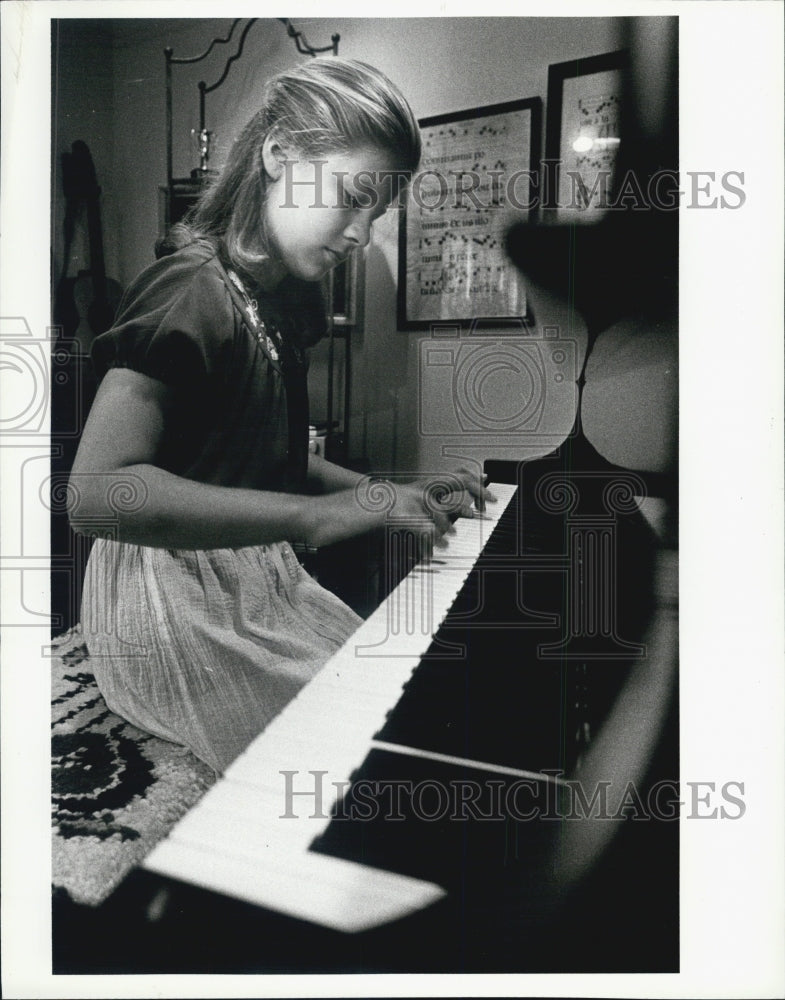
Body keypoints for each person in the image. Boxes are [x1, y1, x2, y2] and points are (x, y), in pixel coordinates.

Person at [70, 58, 489, 774]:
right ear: (280, 155)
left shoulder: (282, 302)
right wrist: (314, 518)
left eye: (377, 213)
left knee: (396, 697)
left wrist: (387, 493)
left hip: (253, 579)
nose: (360, 233)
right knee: (358, 755)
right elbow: (96, 495)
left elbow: (276, 459)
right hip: (164, 597)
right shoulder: (189, 289)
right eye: (352, 197)